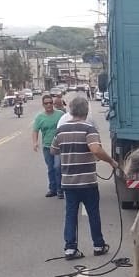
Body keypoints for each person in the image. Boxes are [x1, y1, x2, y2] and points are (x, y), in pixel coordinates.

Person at [50, 92, 118, 259]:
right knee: (93, 213)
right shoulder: (89, 129)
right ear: (86, 111)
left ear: (71, 111)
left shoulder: (61, 130)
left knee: (70, 214)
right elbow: (96, 149)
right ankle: (98, 245)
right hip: (87, 181)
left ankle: (70, 249)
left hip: (68, 183)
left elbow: (53, 150)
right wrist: (111, 162)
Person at [32, 93, 63, 198]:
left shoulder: (60, 114)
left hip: (59, 146)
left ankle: (60, 189)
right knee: (51, 168)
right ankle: (52, 189)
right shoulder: (40, 117)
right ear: (43, 105)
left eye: (50, 103)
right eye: (46, 103)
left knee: (57, 167)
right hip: (47, 146)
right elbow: (35, 130)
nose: (49, 105)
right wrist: (35, 142)